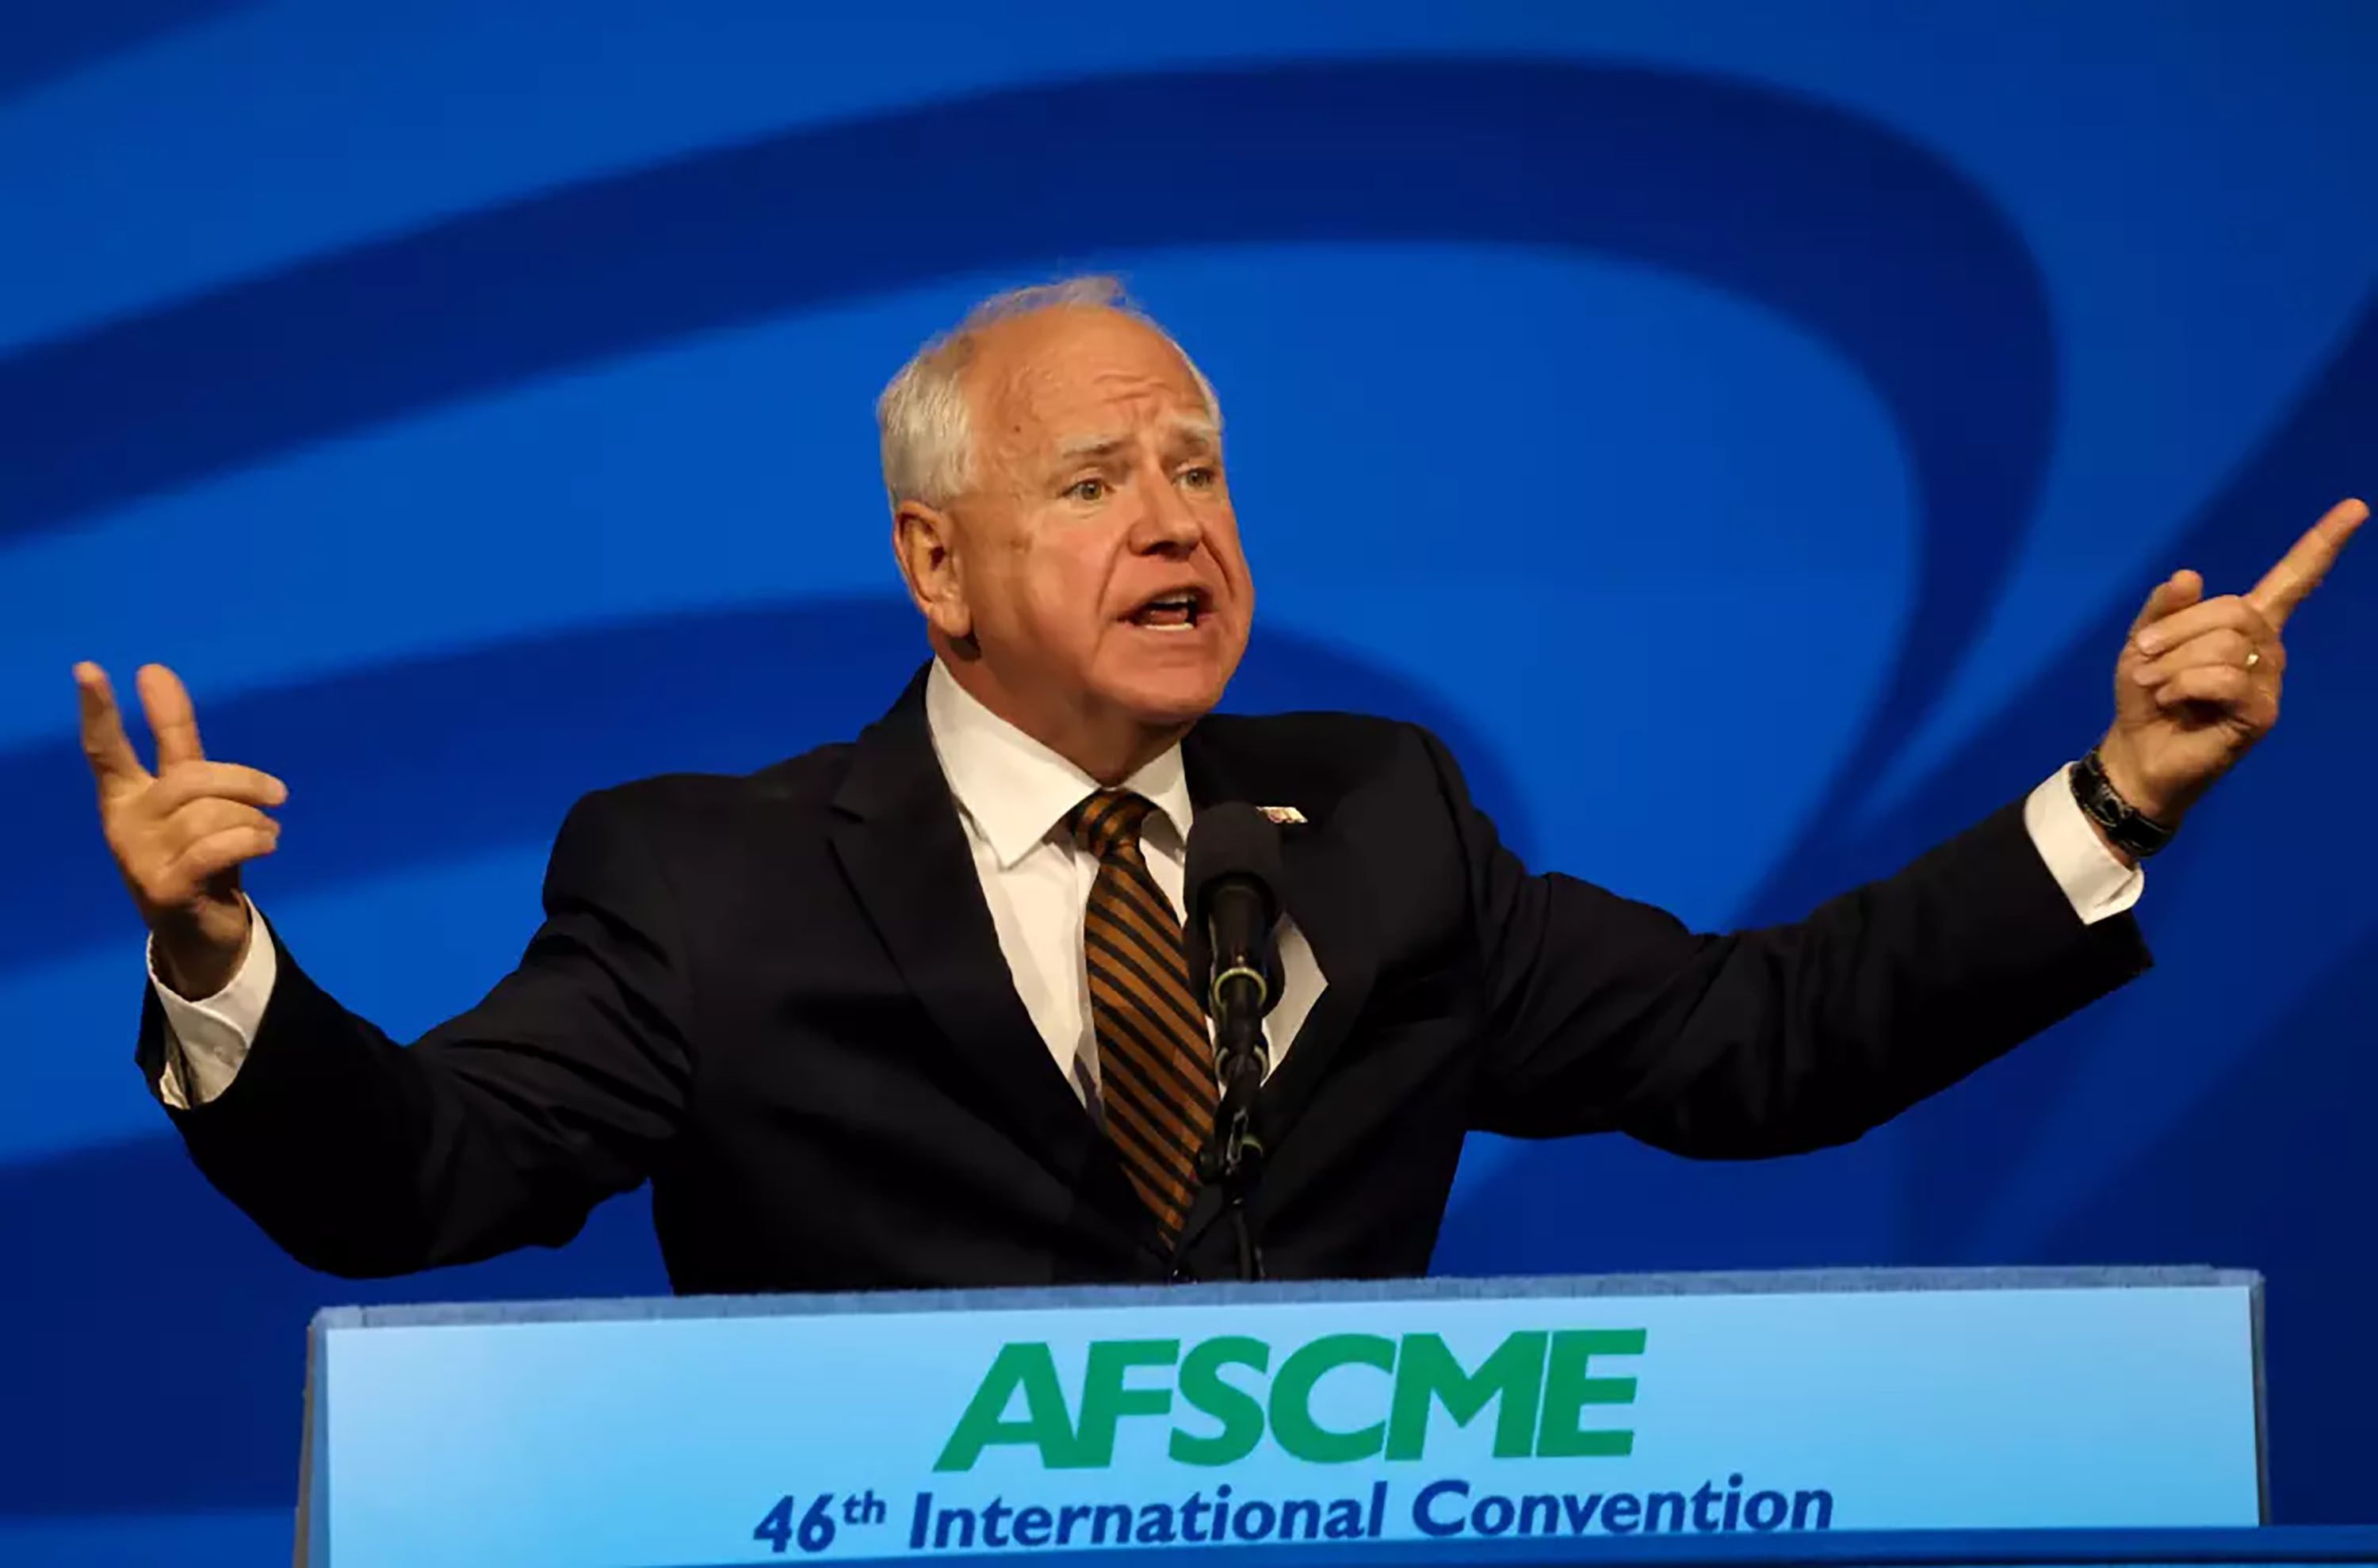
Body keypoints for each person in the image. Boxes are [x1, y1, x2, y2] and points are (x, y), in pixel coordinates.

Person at [76, 278, 2363, 1289]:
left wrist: (2122, 794)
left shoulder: (1372, 823)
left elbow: (1762, 1044)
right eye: (1099, 478)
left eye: (1204, 464)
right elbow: (425, 1180)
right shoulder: (709, 877)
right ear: (938, 566)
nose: (1182, 517)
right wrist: (224, 971)